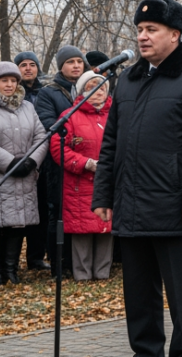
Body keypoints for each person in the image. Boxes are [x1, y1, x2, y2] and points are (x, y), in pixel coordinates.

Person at [92, 0, 182, 357]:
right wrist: (104, 196)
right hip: (133, 209)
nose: (142, 37)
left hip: (176, 209)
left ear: (175, 35)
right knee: (139, 300)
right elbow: (111, 144)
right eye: (139, 30)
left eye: (152, 30)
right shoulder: (129, 81)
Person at [0, 61, 48, 286]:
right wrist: (11, 162)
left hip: (24, 174)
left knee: (16, 224)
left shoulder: (27, 107)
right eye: (5, 80)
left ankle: (11, 270)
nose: (10, 85)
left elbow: (41, 136)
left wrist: (32, 161)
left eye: (14, 80)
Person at [49, 69, 114, 280]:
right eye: (92, 88)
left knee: (106, 227)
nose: (98, 93)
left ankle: (103, 272)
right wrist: (85, 163)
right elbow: (58, 148)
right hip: (79, 181)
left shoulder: (115, 116)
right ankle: (82, 274)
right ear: (82, 91)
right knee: (81, 228)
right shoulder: (69, 116)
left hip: (108, 180)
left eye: (101, 88)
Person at [31, 44, 88, 274]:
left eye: (79, 62)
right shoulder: (49, 93)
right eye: (70, 62)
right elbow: (49, 125)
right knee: (58, 212)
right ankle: (59, 264)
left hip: (86, 164)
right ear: (61, 67)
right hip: (58, 163)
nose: (76, 66)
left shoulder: (90, 89)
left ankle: (79, 262)